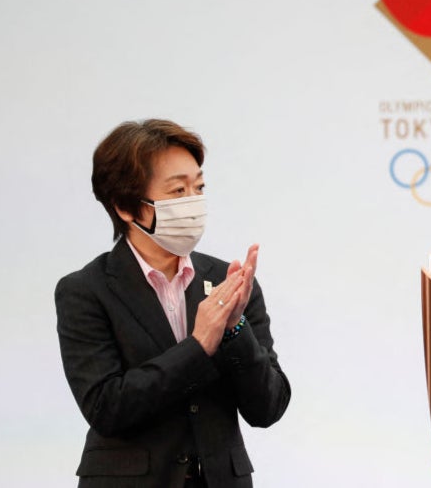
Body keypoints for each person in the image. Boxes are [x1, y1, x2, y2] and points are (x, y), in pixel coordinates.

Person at [55, 119, 291, 487]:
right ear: (126, 207)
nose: (194, 203)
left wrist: (234, 329)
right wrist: (198, 347)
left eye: (198, 187)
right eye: (178, 191)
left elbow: (269, 407)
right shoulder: (85, 290)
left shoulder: (231, 283)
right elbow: (107, 407)